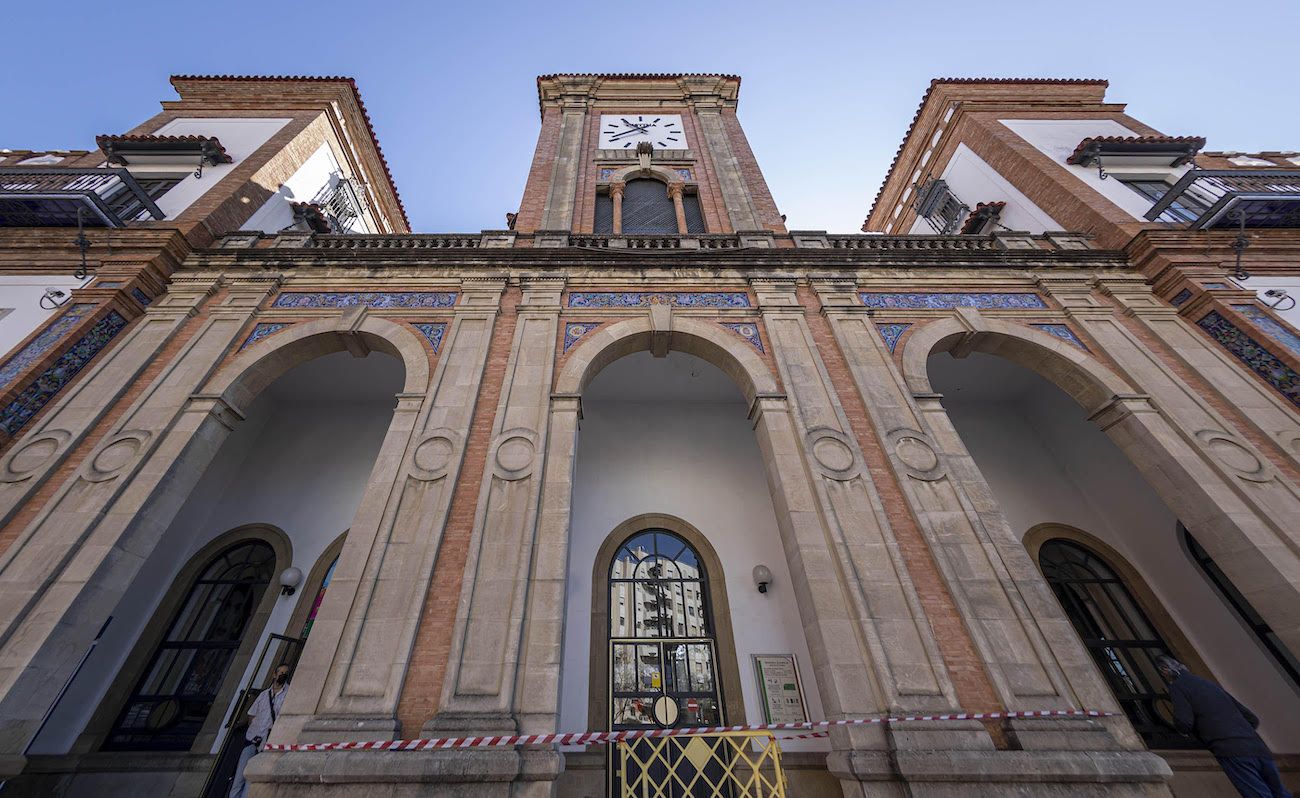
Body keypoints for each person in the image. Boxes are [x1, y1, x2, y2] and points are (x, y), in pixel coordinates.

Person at [1155, 655, 1292, 798]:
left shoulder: (1178, 686)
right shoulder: (1209, 684)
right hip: (1258, 747)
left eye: (1162, 672)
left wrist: (1186, 732)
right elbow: (1252, 718)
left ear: (1165, 669)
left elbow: (1184, 721)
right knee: (1280, 793)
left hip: (1231, 750)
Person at [229, 663, 291, 798]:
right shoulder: (264, 694)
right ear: (274, 674)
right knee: (240, 776)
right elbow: (252, 714)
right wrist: (253, 730)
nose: (282, 675)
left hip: (267, 742)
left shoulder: (288, 695)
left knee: (252, 778)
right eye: (280, 672)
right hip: (252, 739)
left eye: (285, 673)